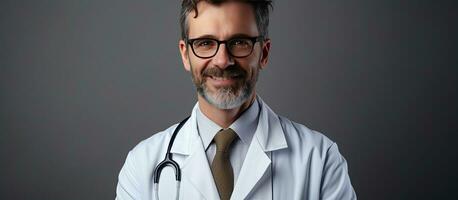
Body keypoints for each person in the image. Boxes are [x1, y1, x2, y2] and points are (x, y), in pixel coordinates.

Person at [116, 0, 357, 199]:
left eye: (239, 42)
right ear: (185, 55)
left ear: (263, 53)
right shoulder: (142, 165)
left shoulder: (320, 159)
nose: (222, 60)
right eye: (205, 43)